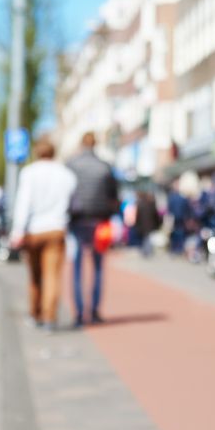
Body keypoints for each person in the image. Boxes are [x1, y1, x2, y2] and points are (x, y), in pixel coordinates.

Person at [10, 136, 76, 331]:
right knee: (52, 276)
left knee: (35, 276)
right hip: (56, 229)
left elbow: (23, 202)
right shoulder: (66, 174)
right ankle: (49, 317)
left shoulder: (29, 173)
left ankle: (35, 313)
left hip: (33, 230)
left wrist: (17, 231)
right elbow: (71, 203)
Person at [65, 132, 119, 325]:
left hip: (78, 220)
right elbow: (114, 196)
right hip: (99, 221)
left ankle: (79, 312)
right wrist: (108, 214)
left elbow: (67, 193)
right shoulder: (105, 167)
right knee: (97, 267)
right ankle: (95, 310)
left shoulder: (71, 165)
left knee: (77, 266)